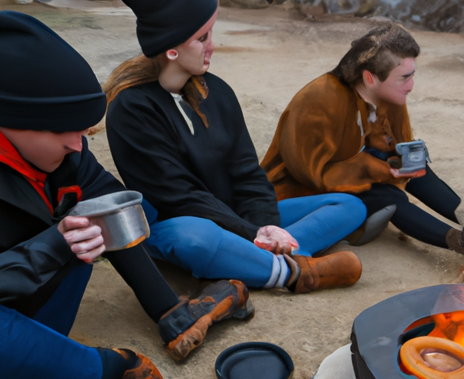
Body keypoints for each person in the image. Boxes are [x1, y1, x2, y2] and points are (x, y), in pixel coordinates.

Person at [0, 11, 256, 379]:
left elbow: (113, 197)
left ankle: (177, 317)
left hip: (37, 307)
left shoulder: (67, 156)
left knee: (106, 209)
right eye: (64, 131)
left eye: (83, 131)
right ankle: (122, 371)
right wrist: (54, 245)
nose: (78, 146)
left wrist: (164, 307)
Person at [104, 0, 368, 294]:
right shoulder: (131, 109)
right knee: (196, 239)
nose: (212, 46)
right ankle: (291, 271)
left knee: (349, 205)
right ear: (171, 49)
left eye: (211, 34)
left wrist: (266, 229)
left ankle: (257, 260)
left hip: (238, 217)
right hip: (180, 222)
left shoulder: (216, 91)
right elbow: (180, 198)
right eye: (202, 38)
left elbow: (248, 174)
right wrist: (252, 232)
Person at [261, 23, 464, 283]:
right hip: (304, 191)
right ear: (370, 77)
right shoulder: (319, 100)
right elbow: (314, 173)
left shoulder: (387, 95)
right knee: (388, 195)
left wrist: (402, 164)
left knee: (413, 167)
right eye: (405, 77)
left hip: (352, 175)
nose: (412, 85)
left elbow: (400, 152)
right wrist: (379, 170)